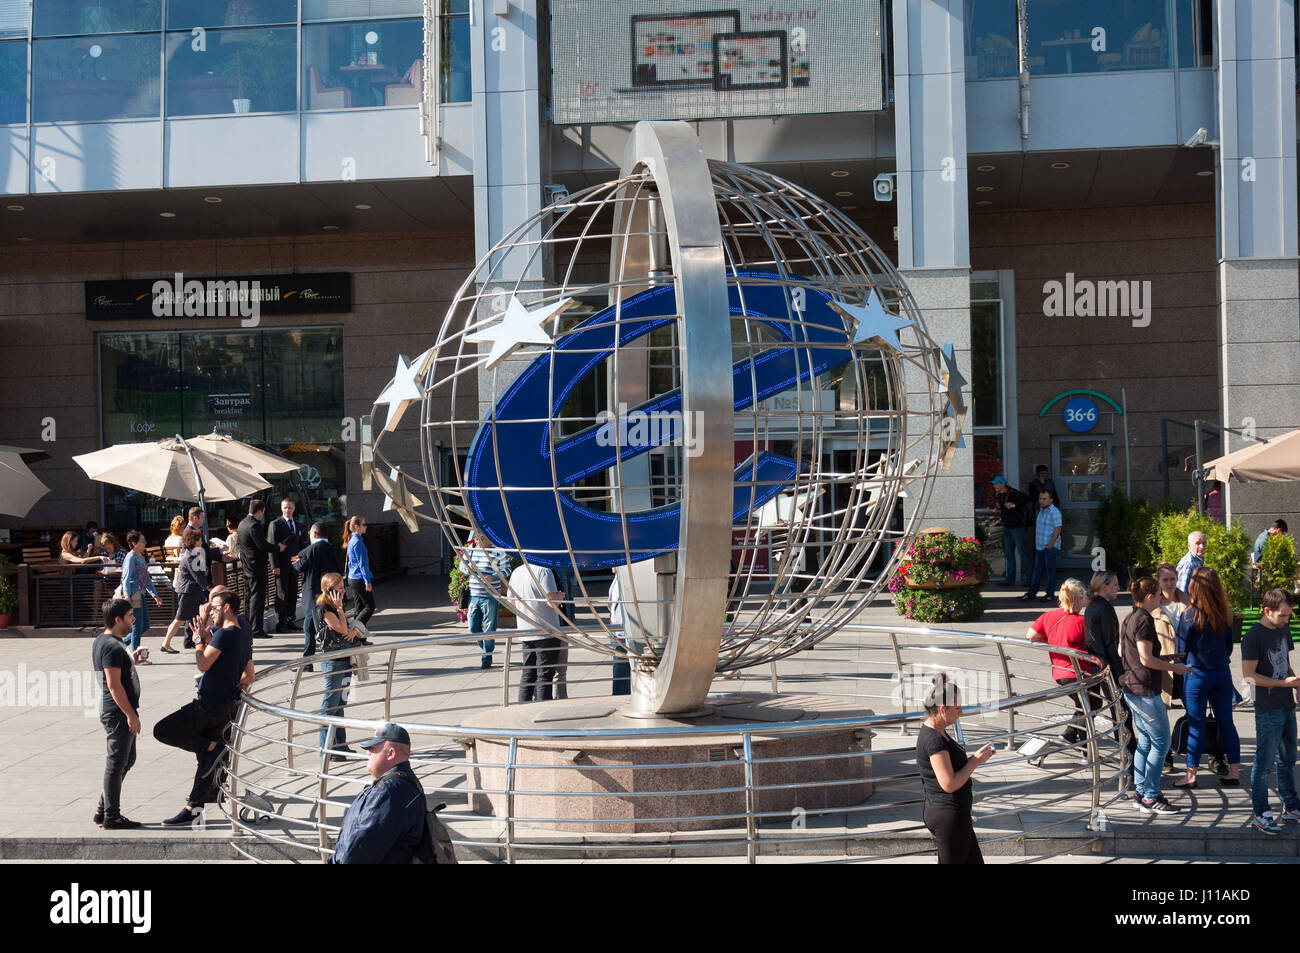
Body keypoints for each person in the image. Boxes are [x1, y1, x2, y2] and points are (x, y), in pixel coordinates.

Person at [155, 588, 255, 827]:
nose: (212, 613)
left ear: (227, 608)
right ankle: (194, 806)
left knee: (163, 730)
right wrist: (227, 680)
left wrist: (199, 641)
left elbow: (203, 664)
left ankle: (213, 747)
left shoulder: (224, 634)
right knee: (205, 761)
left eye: (215, 608)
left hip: (209, 704)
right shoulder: (243, 635)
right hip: (226, 705)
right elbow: (249, 675)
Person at [1119, 576, 1191, 814]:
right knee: (1162, 742)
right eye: (1159, 594)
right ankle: (1150, 795)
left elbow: (1125, 651)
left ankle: (1141, 793)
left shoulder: (1130, 617)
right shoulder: (1144, 620)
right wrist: (1174, 668)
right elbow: (1145, 659)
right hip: (1144, 689)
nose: (1162, 597)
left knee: (1148, 741)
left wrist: (1166, 659)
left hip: (1133, 686)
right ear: (1150, 597)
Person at [1175, 566, 1242, 789]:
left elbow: (1180, 652)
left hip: (1196, 674)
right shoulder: (1224, 614)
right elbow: (1229, 648)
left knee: (1197, 724)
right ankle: (1233, 771)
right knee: (1227, 724)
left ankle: (1191, 774)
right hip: (1221, 673)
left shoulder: (1189, 615)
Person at [915, 672, 993, 864]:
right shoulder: (934, 741)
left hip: (955, 816)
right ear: (942, 709)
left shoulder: (938, 732)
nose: (961, 712)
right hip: (949, 817)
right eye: (957, 708)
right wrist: (975, 761)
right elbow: (948, 784)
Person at [1242, 589, 1300, 834]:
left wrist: (1295, 685)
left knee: (1287, 759)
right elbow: (1249, 677)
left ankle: (1290, 805)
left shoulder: (1283, 630)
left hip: (1286, 703)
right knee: (1263, 763)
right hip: (1267, 707)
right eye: (1283, 616)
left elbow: (1284, 663)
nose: (1287, 620)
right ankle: (1261, 813)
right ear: (1267, 611)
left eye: (1289, 616)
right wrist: (1283, 684)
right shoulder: (1253, 636)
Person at [327, 723, 426, 864]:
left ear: (391, 753)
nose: (368, 753)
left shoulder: (390, 792)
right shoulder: (402, 785)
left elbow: (360, 850)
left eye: (373, 748)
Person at [92, 598, 147, 830]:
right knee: (116, 763)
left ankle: (103, 810)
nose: (133, 620)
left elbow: (115, 674)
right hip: (117, 713)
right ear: (117, 619)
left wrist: (131, 661)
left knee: (127, 759)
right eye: (130, 616)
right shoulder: (112, 647)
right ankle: (111, 816)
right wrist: (130, 715)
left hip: (117, 711)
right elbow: (114, 685)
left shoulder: (106, 641)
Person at [1026, 577, 1095, 749]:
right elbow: (1092, 645)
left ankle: (1071, 734)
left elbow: (1030, 636)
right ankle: (1084, 746)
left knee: (1085, 705)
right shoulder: (1081, 622)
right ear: (1078, 599)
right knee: (1088, 706)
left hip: (1059, 673)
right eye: (1083, 597)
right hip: (1077, 673)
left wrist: (1051, 641)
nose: (1085, 601)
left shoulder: (1048, 616)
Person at [1083, 571, 1133, 772]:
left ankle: (1126, 756)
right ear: (1103, 586)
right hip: (1106, 668)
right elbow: (1109, 645)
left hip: (1097, 666)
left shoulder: (1093, 607)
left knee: (1114, 713)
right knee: (1121, 714)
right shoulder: (1104, 609)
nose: (1118, 588)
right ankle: (1129, 759)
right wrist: (1119, 670)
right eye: (1115, 584)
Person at [315, 571, 362, 758]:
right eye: (340, 588)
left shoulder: (335, 607)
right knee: (329, 705)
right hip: (333, 662)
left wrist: (353, 631)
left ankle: (339, 746)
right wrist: (341, 609)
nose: (343, 591)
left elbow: (346, 629)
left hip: (345, 660)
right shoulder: (325, 609)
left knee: (340, 704)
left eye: (343, 588)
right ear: (329, 590)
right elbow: (341, 628)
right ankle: (325, 750)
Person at [507, 561, 565, 703]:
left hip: (525, 630)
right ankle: (542, 709)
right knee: (544, 675)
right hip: (546, 630)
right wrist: (560, 597)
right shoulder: (544, 571)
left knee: (528, 673)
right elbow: (551, 601)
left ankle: (523, 707)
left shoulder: (517, 572)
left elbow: (510, 601)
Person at [294, 522, 343, 664]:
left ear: (314, 534)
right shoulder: (332, 549)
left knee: (320, 630)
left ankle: (330, 659)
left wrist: (297, 562)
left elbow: (298, 567)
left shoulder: (310, 550)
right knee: (308, 628)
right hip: (328, 595)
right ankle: (307, 662)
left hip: (314, 597)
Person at [459, 534, 509, 669]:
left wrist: (493, 577)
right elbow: (461, 567)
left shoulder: (498, 551)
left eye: (479, 538)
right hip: (474, 595)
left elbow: (507, 570)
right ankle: (486, 648)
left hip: (491, 595)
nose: (476, 540)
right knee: (473, 627)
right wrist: (469, 567)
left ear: (486, 537)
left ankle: (486, 657)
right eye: (475, 538)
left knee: (489, 627)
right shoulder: (471, 549)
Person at [160, 527, 209, 654]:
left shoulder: (195, 554)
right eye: (199, 540)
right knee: (179, 619)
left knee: (195, 618)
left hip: (192, 591)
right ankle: (165, 644)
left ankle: (199, 640)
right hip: (187, 592)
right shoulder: (190, 557)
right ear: (193, 541)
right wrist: (208, 587)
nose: (201, 542)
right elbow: (197, 575)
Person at [1152, 562, 1190, 709]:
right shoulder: (1152, 604)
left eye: (1172, 579)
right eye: (1165, 580)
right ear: (1158, 581)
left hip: (1185, 659)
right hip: (1163, 662)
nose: (1169, 583)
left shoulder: (1187, 601)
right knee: (1162, 709)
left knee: (1192, 708)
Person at [236, 500, 275, 640]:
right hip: (256, 567)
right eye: (263, 512)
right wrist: (277, 548)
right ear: (260, 511)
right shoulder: (254, 525)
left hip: (247, 566)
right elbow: (262, 546)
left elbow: (239, 544)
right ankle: (256, 629)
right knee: (257, 598)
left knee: (248, 596)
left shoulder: (242, 524)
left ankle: (247, 625)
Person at [119, 530, 161, 656]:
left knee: (145, 624)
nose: (145, 543)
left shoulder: (141, 558)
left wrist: (155, 594)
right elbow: (125, 578)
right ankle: (136, 654)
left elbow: (146, 578)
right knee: (137, 625)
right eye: (142, 541)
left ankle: (119, 643)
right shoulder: (130, 557)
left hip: (140, 593)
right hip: (134, 594)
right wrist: (127, 596)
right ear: (134, 543)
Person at [1019, 489, 1062, 603]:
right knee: (1037, 571)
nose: (1041, 501)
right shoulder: (1040, 511)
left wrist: (1050, 544)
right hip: (1040, 546)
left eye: (1044, 499)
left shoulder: (1054, 512)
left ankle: (1050, 594)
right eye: (1040, 499)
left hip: (1049, 547)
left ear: (1051, 500)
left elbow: (1058, 529)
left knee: (1050, 571)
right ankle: (1032, 593)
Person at [990, 475, 1030, 587]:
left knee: (1023, 554)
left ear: (1002, 484)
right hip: (1007, 528)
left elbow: (1027, 498)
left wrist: (1014, 504)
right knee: (1009, 554)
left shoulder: (1013, 493)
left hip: (1017, 528)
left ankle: (1030, 579)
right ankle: (1009, 579)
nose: (994, 486)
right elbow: (1004, 509)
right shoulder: (1000, 495)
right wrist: (998, 509)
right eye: (993, 484)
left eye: (996, 484)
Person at [268, 497, 300, 634]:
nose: (287, 510)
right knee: (282, 594)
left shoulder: (297, 524)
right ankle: (281, 623)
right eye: (285, 507)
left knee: (293, 593)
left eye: (290, 507)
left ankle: (290, 619)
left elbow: (300, 545)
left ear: (294, 508)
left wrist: (301, 563)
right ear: (281, 509)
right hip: (281, 565)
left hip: (294, 565)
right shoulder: (275, 524)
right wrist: (274, 565)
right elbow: (272, 546)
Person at [344, 516, 376, 627]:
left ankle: (360, 637)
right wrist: (367, 581)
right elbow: (362, 564)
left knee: (359, 607)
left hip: (353, 577)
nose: (366, 527)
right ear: (357, 527)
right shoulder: (357, 542)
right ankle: (354, 629)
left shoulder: (352, 540)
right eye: (364, 525)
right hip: (359, 578)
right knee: (369, 606)